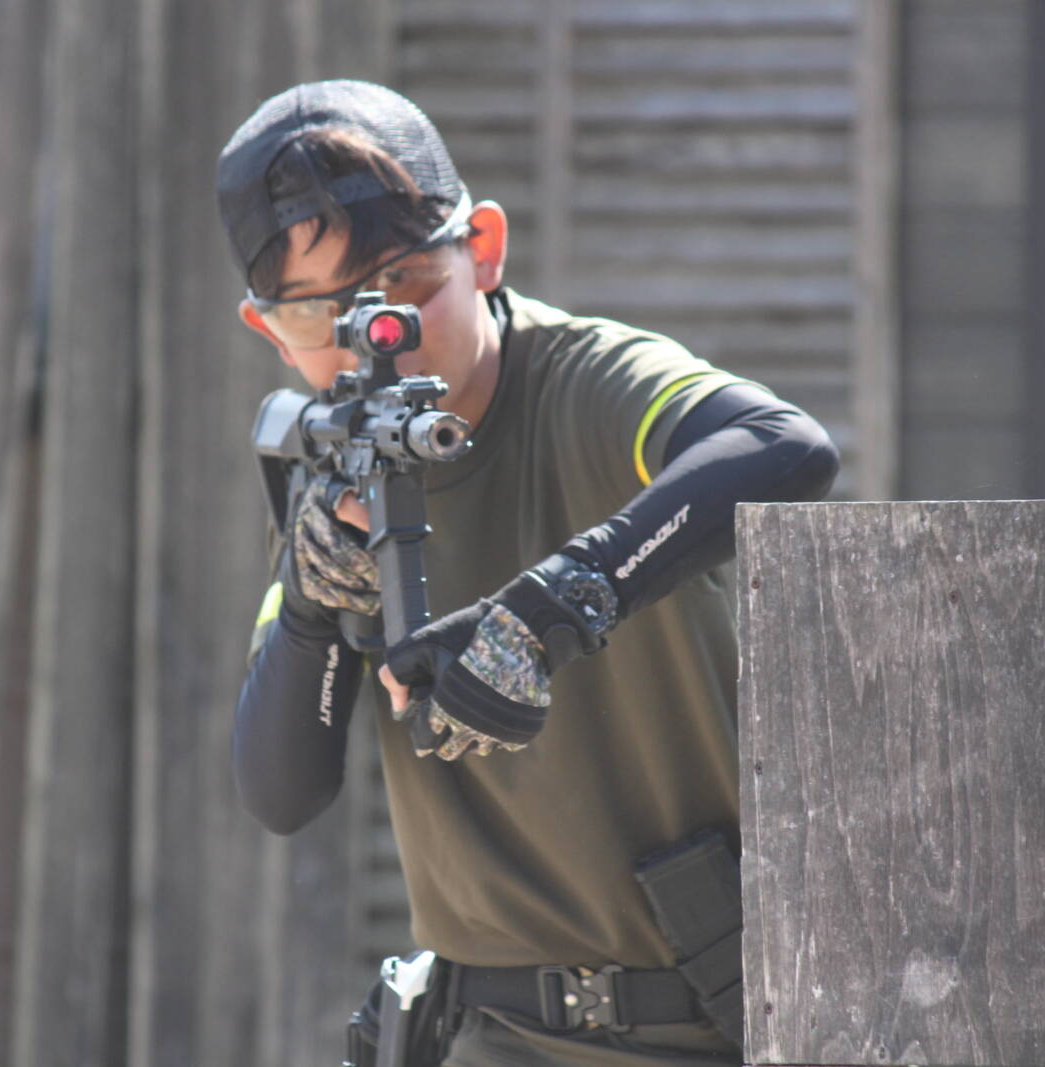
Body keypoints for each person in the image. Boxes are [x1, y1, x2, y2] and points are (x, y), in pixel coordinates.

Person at [217, 80, 838, 1066]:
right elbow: (280, 790)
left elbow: (783, 444)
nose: (374, 337)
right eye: (317, 313)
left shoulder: (587, 383)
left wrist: (555, 607)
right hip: (490, 1032)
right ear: (268, 329)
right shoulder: (326, 468)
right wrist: (308, 604)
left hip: (717, 1016)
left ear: (485, 249)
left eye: (404, 282)